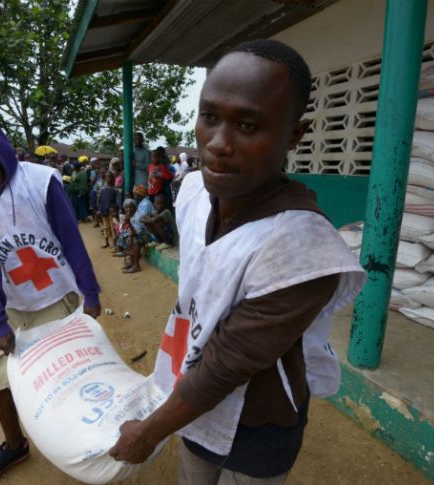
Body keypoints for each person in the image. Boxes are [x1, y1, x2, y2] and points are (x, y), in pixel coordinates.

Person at [108, 39, 366, 485]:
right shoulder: (193, 193)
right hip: (187, 395)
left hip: (259, 421)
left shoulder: (301, 248)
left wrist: (148, 432)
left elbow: (226, 365)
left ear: (293, 135)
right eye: (209, 117)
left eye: (248, 125)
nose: (218, 144)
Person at [0, 108, 102, 483]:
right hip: (11, 304)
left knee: (68, 375)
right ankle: (15, 445)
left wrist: (89, 292)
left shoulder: (41, 180)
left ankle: (82, 440)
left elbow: (71, 239)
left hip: (56, 295)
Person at [97, 171, 118, 249]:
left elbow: (117, 201)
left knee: (113, 227)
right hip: (103, 210)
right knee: (106, 227)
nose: (108, 179)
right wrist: (99, 209)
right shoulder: (102, 188)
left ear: (113, 179)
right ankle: (106, 242)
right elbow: (99, 199)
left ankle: (114, 244)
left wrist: (115, 209)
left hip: (112, 212)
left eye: (110, 177)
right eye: (107, 177)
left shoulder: (115, 189)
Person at [67, 157, 89, 222]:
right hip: (72, 192)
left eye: (73, 166)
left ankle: (82, 218)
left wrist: (81, 193)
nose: (72, 167)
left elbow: (83, 184)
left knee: (80, 206)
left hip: (78, 193)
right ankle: (75, 218)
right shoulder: (74, 172)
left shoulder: (82, 174)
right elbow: (71, 181)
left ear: (77, 167)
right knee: (73, 206)